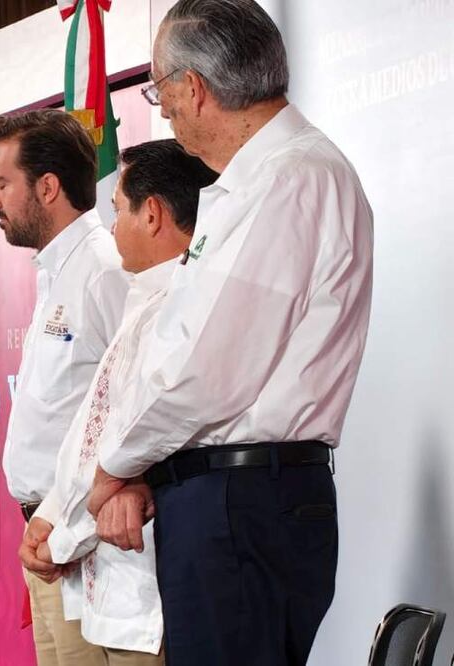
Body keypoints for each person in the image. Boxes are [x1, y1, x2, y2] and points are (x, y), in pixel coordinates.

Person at [85, 2, 374, 665]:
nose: (162, 110)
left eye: (160, 90)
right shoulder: (263, 181)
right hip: (233, 500)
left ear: (195, 88)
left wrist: (113, 467)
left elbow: (206, 369)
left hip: (239, 504)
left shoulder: (288, 179)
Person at [23, 139, 218, 665]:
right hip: (93, 575)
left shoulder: (182, 307)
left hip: (139, 583)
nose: (112, 229)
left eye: (118, 210)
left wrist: (60, 537)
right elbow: (88, 436)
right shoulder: (143, 302)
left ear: (151, 214)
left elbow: (143, 440)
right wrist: (48, 515)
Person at [0, 108, 130, 665]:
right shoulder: (56, 272)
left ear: (47, 187)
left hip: (88, 546)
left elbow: (130, 412)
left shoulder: (103, 268)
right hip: (48, 542)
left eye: (1, 183)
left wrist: (65, 527)